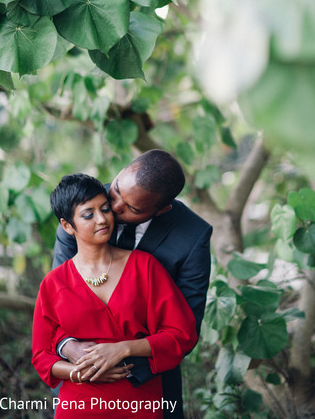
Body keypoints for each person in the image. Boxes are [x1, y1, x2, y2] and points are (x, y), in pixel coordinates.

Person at [52, 150, 213, 419]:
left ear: (162, 209)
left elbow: (186, 327)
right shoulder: (80, 209)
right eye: (115, 190)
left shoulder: (193, 236)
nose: (113, 208)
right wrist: (68, 347)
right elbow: (57, 298)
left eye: (132, 208)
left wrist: (121, 362)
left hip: (149, 381)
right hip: (80, 379)